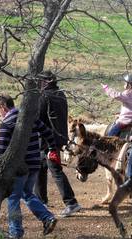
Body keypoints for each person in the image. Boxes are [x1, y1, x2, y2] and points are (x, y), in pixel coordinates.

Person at [0, 95, 58, 239]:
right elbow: (48, 133)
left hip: (19, 167)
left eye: (0, 110)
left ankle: (15, 233)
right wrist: (52, 149)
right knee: (27, 193)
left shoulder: (7, 122)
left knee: (13, 198)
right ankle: (47, 218)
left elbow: (0, 150)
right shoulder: (29, 118)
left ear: (3, 107)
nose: (1, 113)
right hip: (35, 163)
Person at [34, 70, 81, 217]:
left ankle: (71, 202)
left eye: (41, 81)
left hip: (48, 140)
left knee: (55, 170)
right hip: (57, 138)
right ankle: (41, 200)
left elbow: (38, 118)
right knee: (40, 167)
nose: (39, 84)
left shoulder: (44, 97)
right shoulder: (60, 94)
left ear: (45, 82)